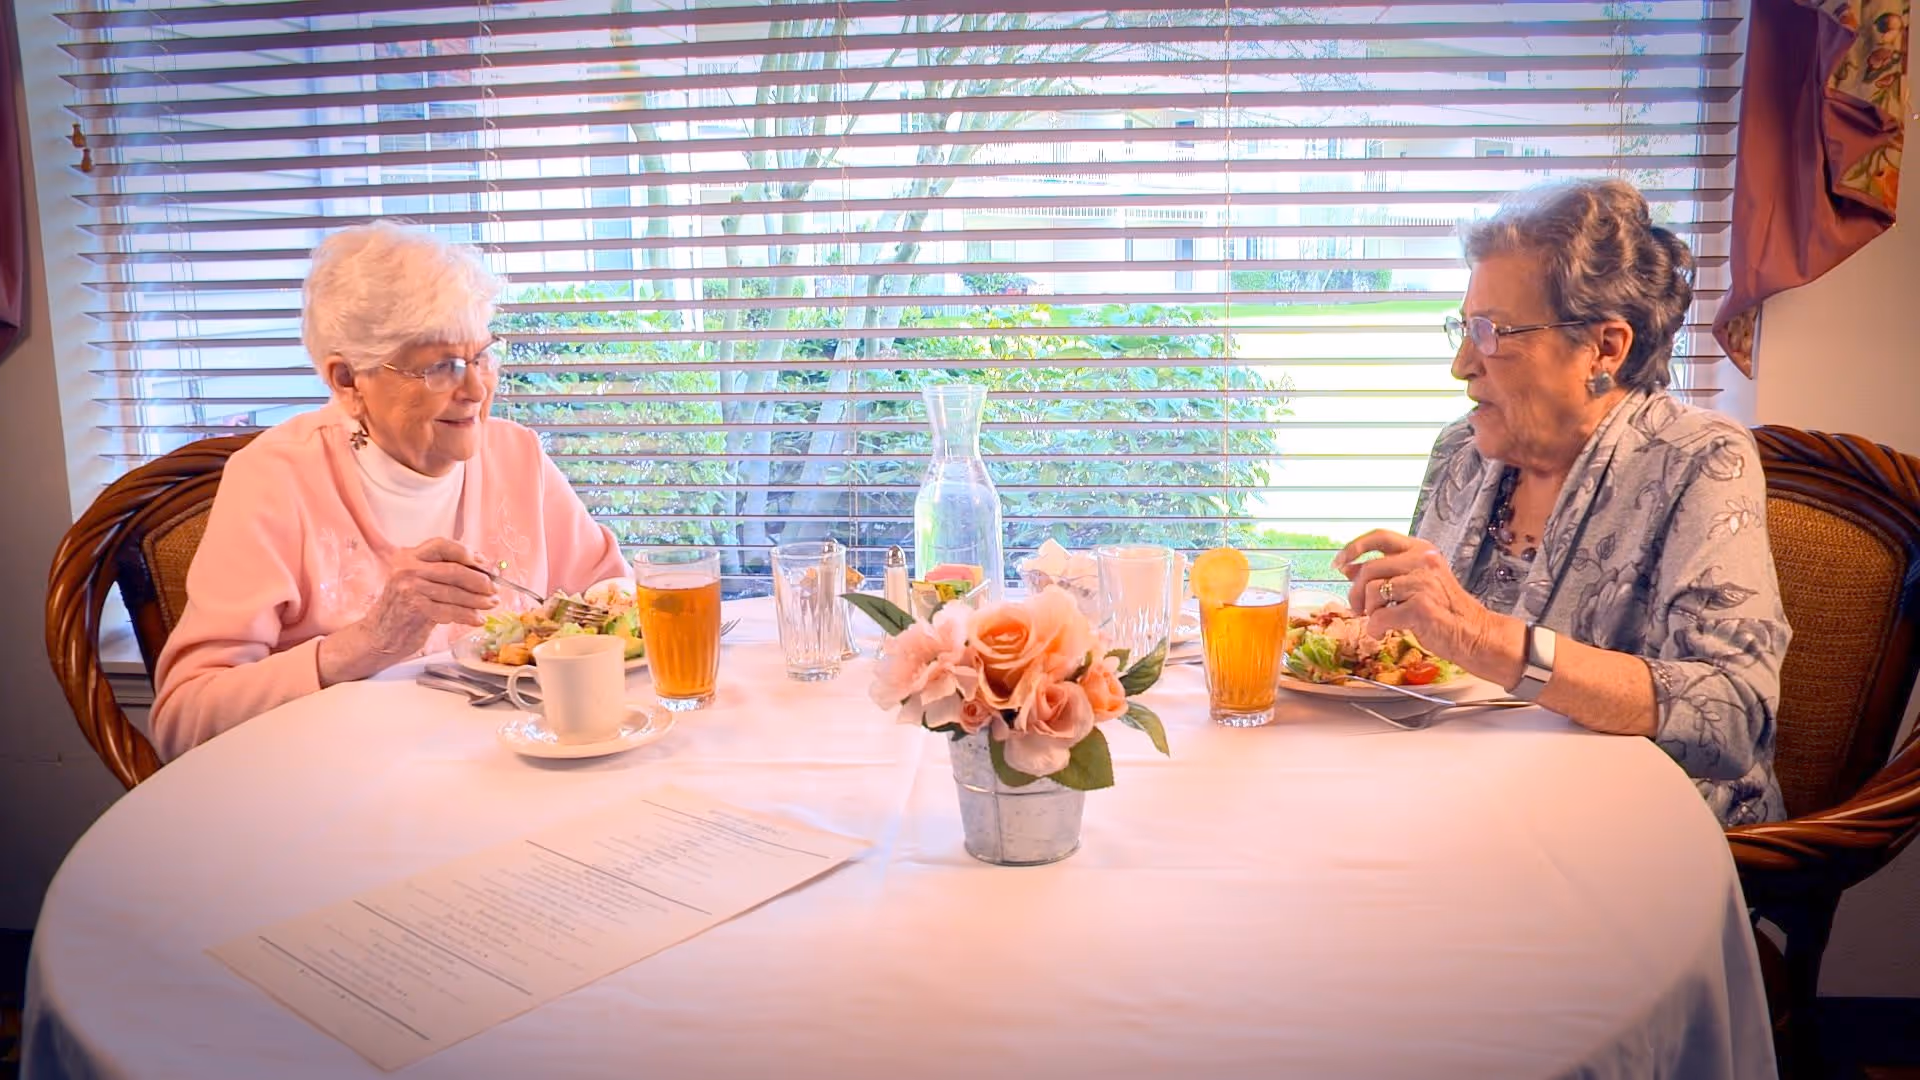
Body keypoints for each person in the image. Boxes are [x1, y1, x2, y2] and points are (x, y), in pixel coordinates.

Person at [1334, 179, 1789, 826]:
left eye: (1492, 332)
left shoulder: (1700, 460)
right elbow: (1426, 660)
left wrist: (1487, 638)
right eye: (1463, 329)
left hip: (1635, 829)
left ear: (1605, 347)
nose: (1462, 364)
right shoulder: (1460, 453)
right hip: (1468, 798)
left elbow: (1730, 715)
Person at [151, 222, 629, 760]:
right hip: (343, 796)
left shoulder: (516, 457)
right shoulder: (274, 480)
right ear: (347, 381)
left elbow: (618, 614)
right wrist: (365, 645)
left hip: (520, 770)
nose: (476, 389)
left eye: (482, 357)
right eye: (442, 367)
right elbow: (182, 721)